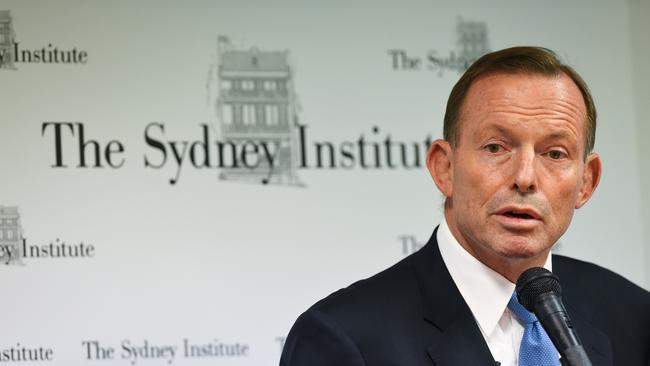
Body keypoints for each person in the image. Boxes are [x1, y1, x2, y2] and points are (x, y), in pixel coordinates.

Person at [280, 47, 650, 366]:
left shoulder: (634, 317)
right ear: (444, 167)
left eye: (554, 153)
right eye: (495, 147)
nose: (525, 177)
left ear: (586, 182)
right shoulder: (345, 339)